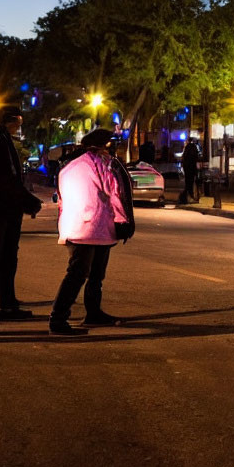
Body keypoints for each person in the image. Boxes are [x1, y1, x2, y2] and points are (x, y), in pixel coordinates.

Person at [49, 128, 134, 336]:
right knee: (83, 274)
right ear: (103, 146)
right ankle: (58, 319)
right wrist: (125, 222)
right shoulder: (104, 165)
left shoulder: (68, 166)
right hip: (96, 227)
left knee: (86, 273)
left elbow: (60, 198)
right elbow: (116, 194)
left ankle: (92, 313)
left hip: (75, 226)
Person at [0, 106, 42, 321]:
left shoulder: (1, 138)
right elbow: (1, 178)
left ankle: (7, 302)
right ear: (8, 121)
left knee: (8, 257)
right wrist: (26, 199)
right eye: (17, 122)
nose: (18, 127)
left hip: (8, 208)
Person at [181, 137, 200, 203]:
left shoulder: (187, 148)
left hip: (187, 168)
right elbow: (196, 157)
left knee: (188, 183)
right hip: (192, 168)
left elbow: (184, 158)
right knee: (192, 183)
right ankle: (191, 196)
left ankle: (188, 196)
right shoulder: (194, 147)